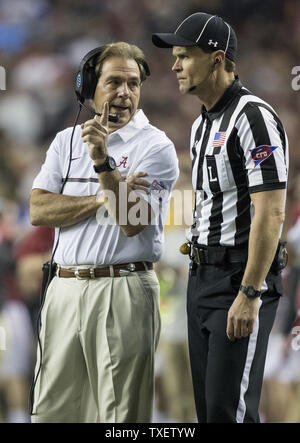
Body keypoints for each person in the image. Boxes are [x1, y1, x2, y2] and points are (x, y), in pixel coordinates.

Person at [29, 42, 179, 423]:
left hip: (122, 288)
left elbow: (130, 221)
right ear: (89, 87)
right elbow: (38, 210)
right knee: (52, 411)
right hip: (62, 288)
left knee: (120, 416)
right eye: (114, 82)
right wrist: (103, 197)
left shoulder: (156, 146)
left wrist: (101, 161)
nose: (124, 93)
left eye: (133, 84)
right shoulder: (65, 142)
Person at [152, 12, 289, 423]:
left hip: (238, 278)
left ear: (216, 59)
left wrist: (250, 292)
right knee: (207, 411)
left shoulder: (254, 117)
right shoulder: (199, 126)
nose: (175, 65)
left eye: (184, 56)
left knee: (229, 411)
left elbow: (272, 211)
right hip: (200, 280)